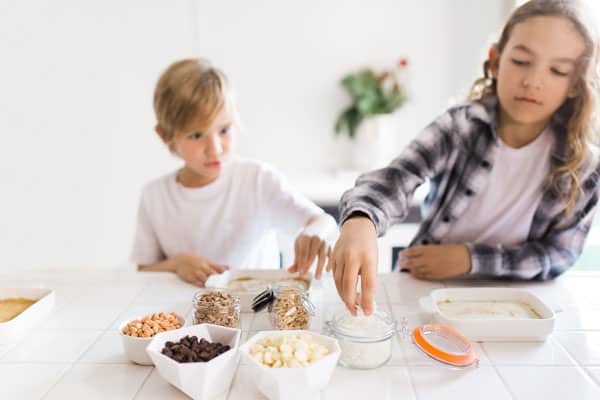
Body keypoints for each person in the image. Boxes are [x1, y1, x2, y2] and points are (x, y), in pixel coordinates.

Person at [331, 0, 600, 315]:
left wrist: (470, 259)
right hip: (427, 294)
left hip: (515, 308)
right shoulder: (461, 125)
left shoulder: (584, 166)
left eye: (558, 70)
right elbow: (398, 178)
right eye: (521, 60)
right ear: (496, 62)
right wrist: (361, 219)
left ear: (575, 84)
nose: (533, 81)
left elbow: (559, 255)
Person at [131, 58, 337, 286]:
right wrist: (178, 263)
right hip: (183, 316)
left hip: (255, 314)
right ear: (165, 135)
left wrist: (317, 231)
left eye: (224, 130)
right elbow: (144, 268)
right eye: (196, 135)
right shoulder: (155, 196)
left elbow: (323, 221)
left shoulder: (257, 179)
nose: (215, 148)